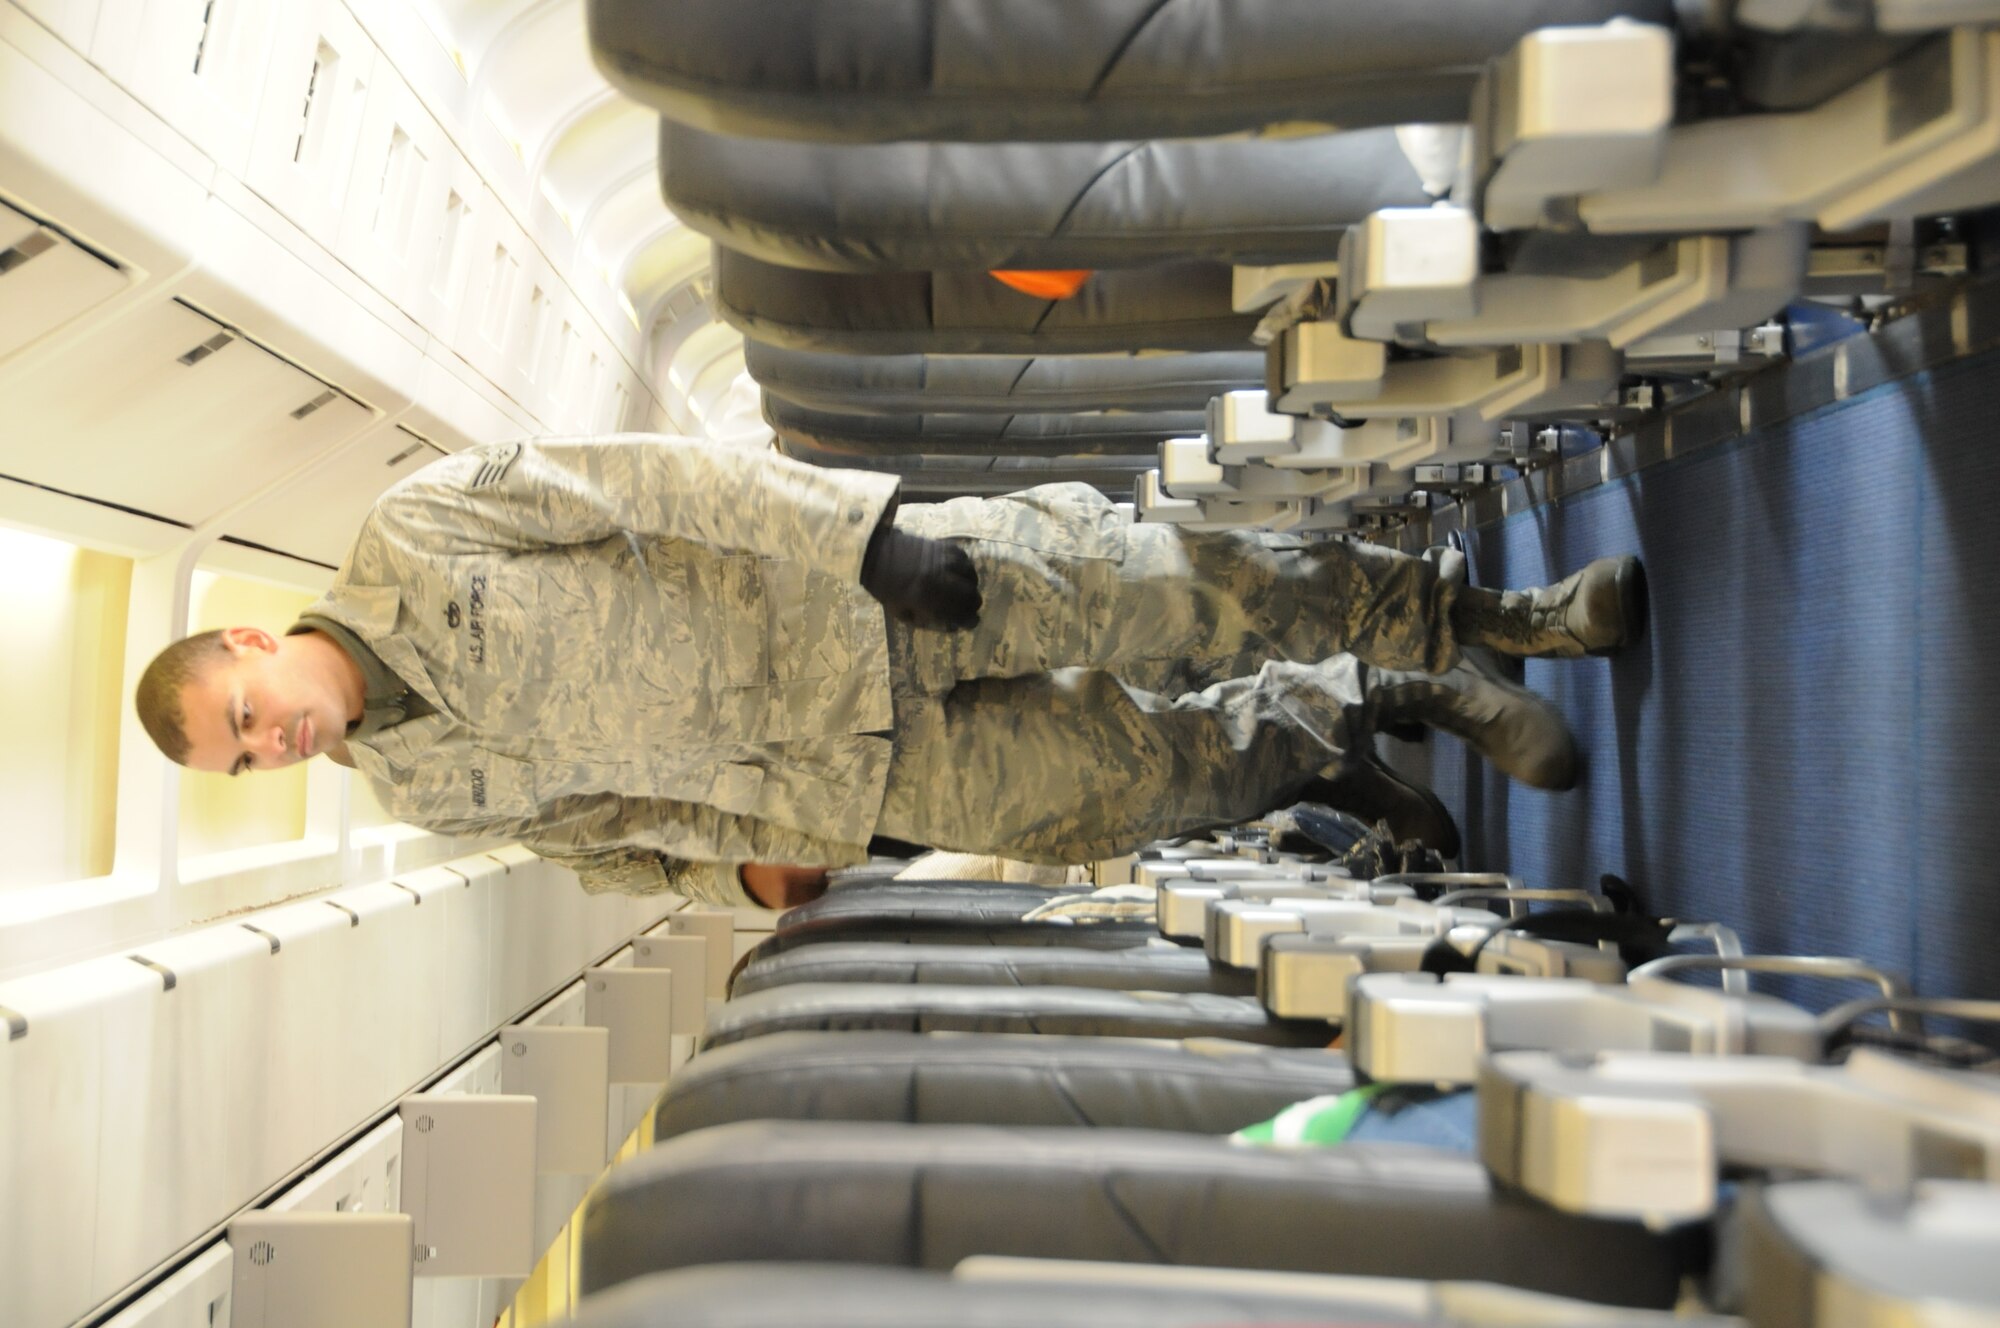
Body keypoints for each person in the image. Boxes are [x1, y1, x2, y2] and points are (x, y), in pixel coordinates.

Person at [134, 435, 1642, 908]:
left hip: (865, 605)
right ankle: (1348, 717)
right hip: (852, 779)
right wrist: (745, 876)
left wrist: (863, 541)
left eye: (247, 718)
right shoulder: (415, 792)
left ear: (254, 642)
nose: (275, 747)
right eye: (248, 764)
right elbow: (603, 849)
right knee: (1147, 786)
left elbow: (649, 483)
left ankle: (1489, 616)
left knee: (1183, 590)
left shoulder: (412, 528)